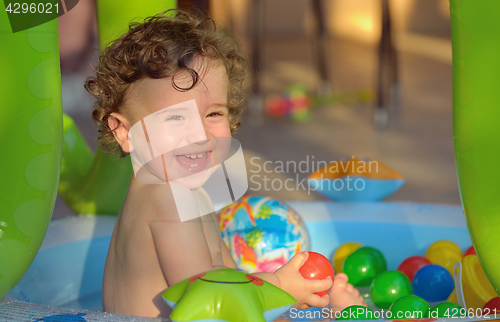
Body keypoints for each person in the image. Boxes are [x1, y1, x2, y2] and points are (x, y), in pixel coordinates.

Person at [85, 9, 365, 318]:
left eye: (213, 114)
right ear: (125, 132)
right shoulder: (168, 197)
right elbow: (210, 299)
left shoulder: (185, 194)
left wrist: (280, 298)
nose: (199, 133)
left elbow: (225, 275)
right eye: (176, 117)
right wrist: (281, 285)